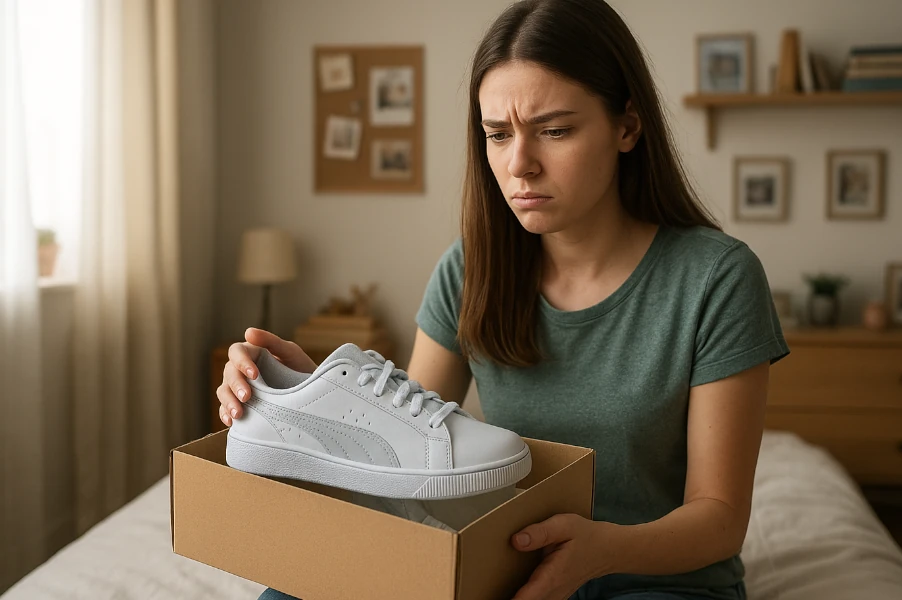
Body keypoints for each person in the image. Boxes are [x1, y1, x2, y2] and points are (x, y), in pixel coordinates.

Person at [219, 0, 789, 598]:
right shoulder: (468, 271)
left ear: (627, 126)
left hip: (656, 577)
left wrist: (598, 551)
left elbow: (720, 517)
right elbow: (405, 459)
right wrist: (318, 396)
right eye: (497, 134)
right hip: (507, 564)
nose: (520, 164)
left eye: (555, 130)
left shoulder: (717, 278)